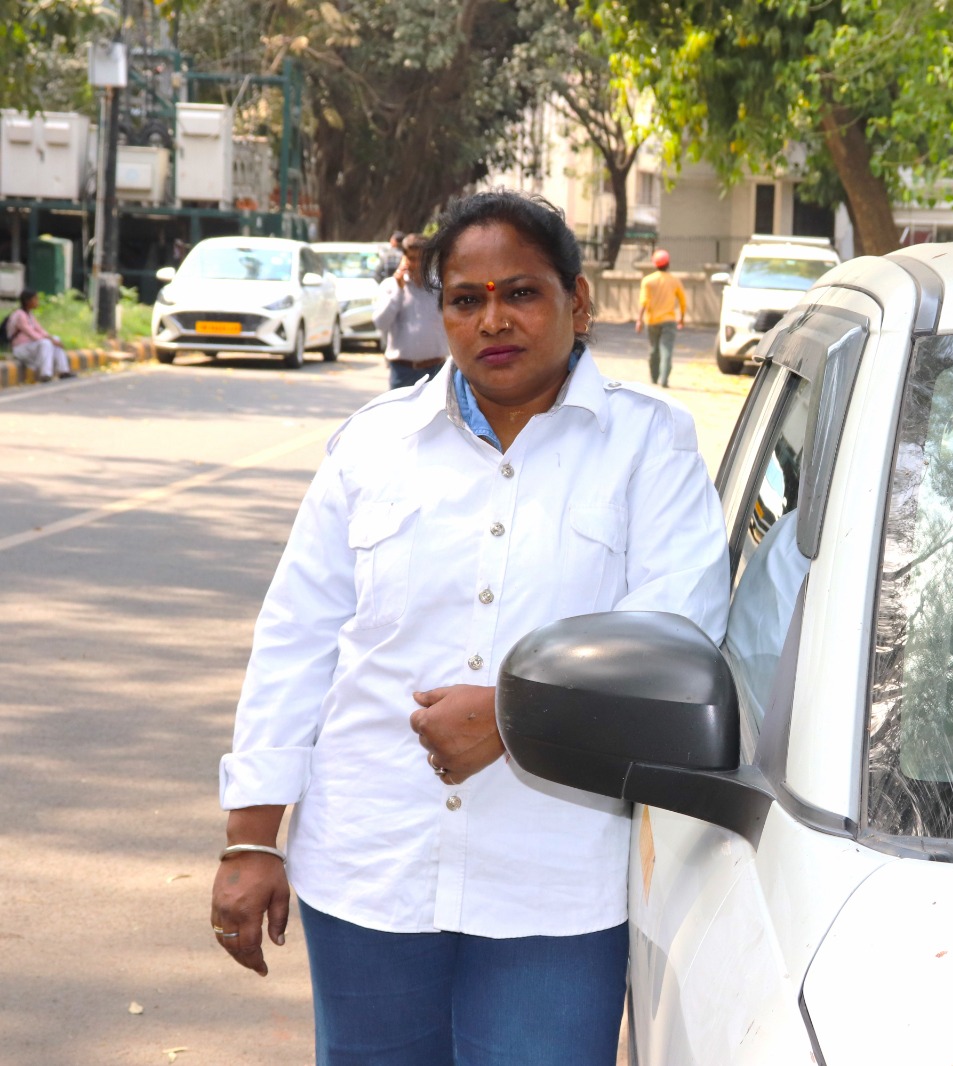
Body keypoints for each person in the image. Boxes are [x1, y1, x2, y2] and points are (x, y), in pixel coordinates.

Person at [210, 189, 729, 1066]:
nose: (493, 320)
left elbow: (676, 642)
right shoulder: (372, 446)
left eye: (521, 293)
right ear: (440, 311)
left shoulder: (650, 446)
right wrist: (252, 837)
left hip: (556, 885)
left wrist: (513, 716)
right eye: (464, 299)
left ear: (577, 301)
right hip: (371, 871)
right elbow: (297, 639)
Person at [371, 233, 450, 390]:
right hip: (402, 371)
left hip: (435, 370)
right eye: (413, 258)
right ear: (404, 258)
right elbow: (380, 323)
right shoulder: (391, 286)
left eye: (422, 259)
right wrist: (398, 291)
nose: (418, 264)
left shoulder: (439, 287)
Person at [634, 248, 686, 387]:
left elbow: (643, 301)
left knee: (654, 349)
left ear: (655, 264)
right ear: (668, 263)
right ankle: (664, 379)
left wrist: (639, 320)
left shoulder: (648, 281)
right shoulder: (674, 280)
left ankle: (654, 377)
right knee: (666, 349)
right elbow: (683, 302)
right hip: (669, 321)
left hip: (652, 321)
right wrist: (682, 318)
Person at [4, 290, 75, 381]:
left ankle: (63, 371)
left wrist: (52, 339)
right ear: (27, 301)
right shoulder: (19, 315)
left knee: (56, 339)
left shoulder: (29, 314)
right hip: (20, 349)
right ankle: (46, 374)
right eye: (35, 299)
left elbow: (40, 330)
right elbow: (31, 334)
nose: (37, 301)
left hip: (30, 347)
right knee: (46, 343)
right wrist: (50, 341)